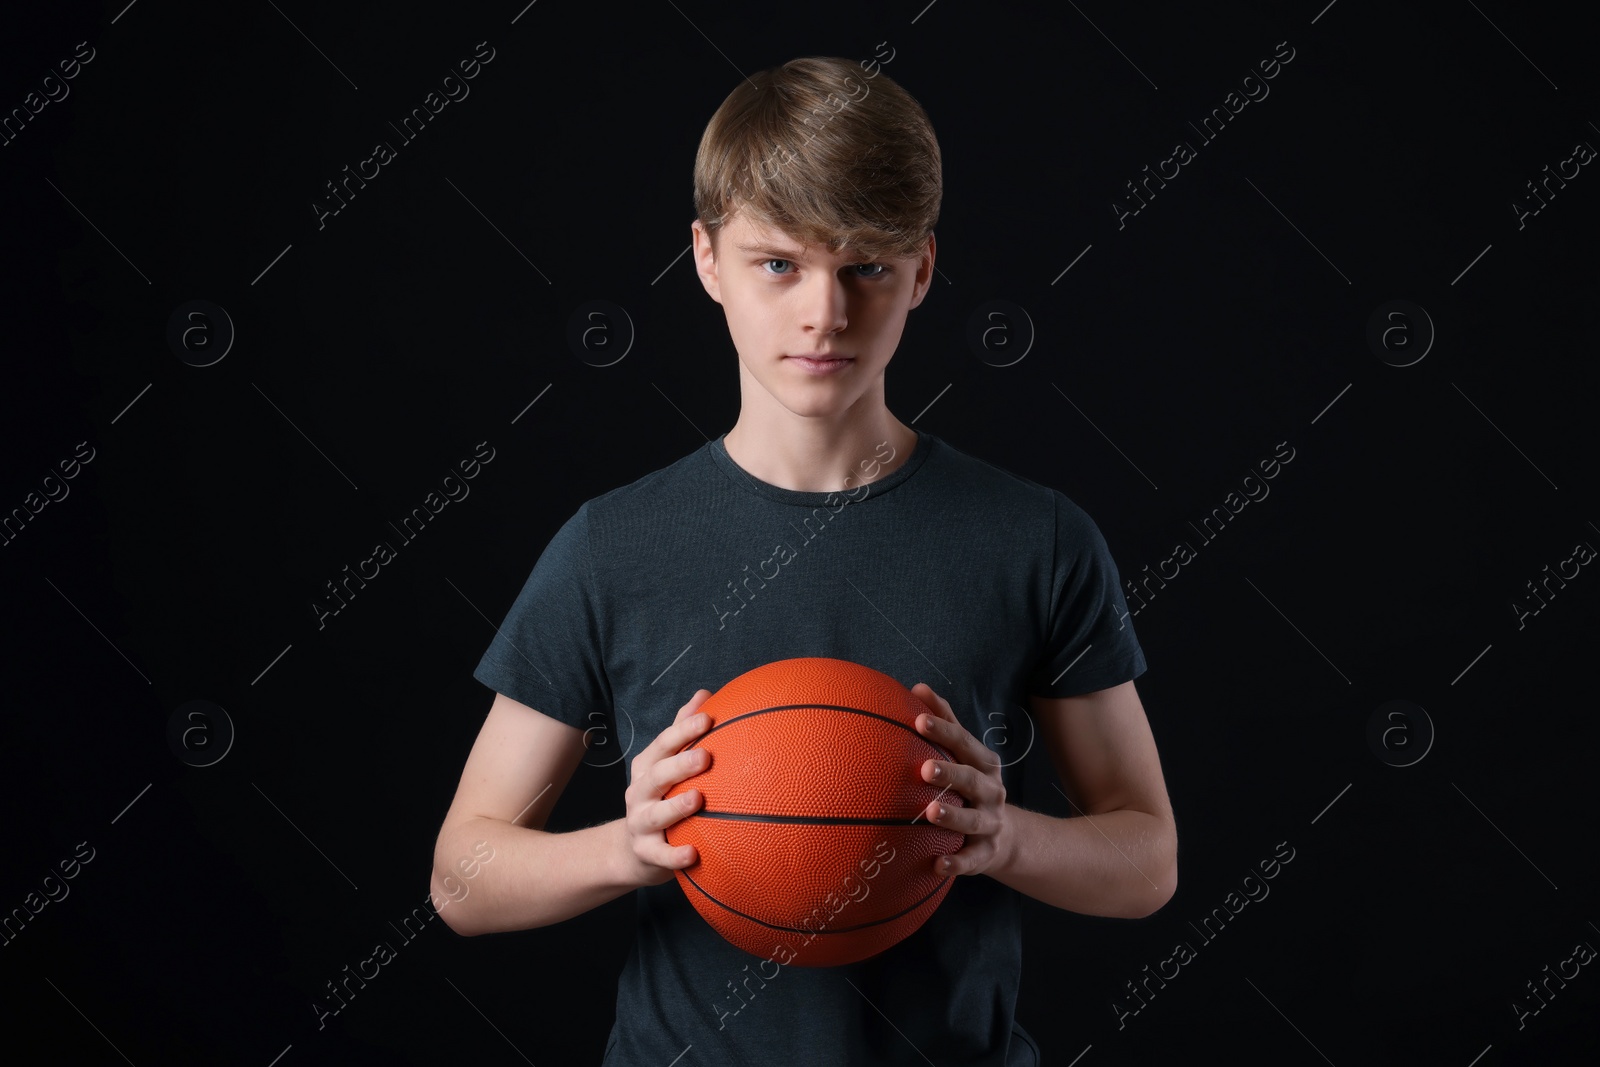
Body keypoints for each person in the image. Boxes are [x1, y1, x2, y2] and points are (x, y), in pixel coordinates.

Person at [429, 55, 1178, 1065]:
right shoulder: (613, 544)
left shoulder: (1033, 538)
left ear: (920, 269)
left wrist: (1008, 837)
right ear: (706, 261)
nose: (823, 311)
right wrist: (628, 845)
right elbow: (462, 880)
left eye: (864, 264)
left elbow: (1147, 857)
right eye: (778, 262)